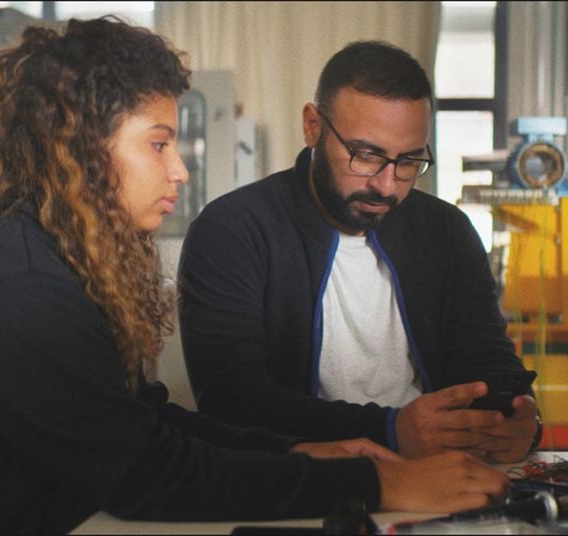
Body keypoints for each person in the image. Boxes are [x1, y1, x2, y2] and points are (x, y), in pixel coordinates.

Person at [0, 20, 510, 534]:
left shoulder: (44, 253)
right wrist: (372, 483)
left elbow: (142, 422)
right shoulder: (19, 284)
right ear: (78, 143)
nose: (179, 170)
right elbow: (144, 476)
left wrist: (305, 450)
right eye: (158, 143)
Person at [178, 41, 540, 465]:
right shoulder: (232, 231)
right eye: (365, 156)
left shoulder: (448, 231)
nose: (386, 186)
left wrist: (522, 420)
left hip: (437, 472)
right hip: (300, 480)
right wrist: (390, 431)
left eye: (407, 162)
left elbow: (485, 358)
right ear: (312, 126)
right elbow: (231, 401)